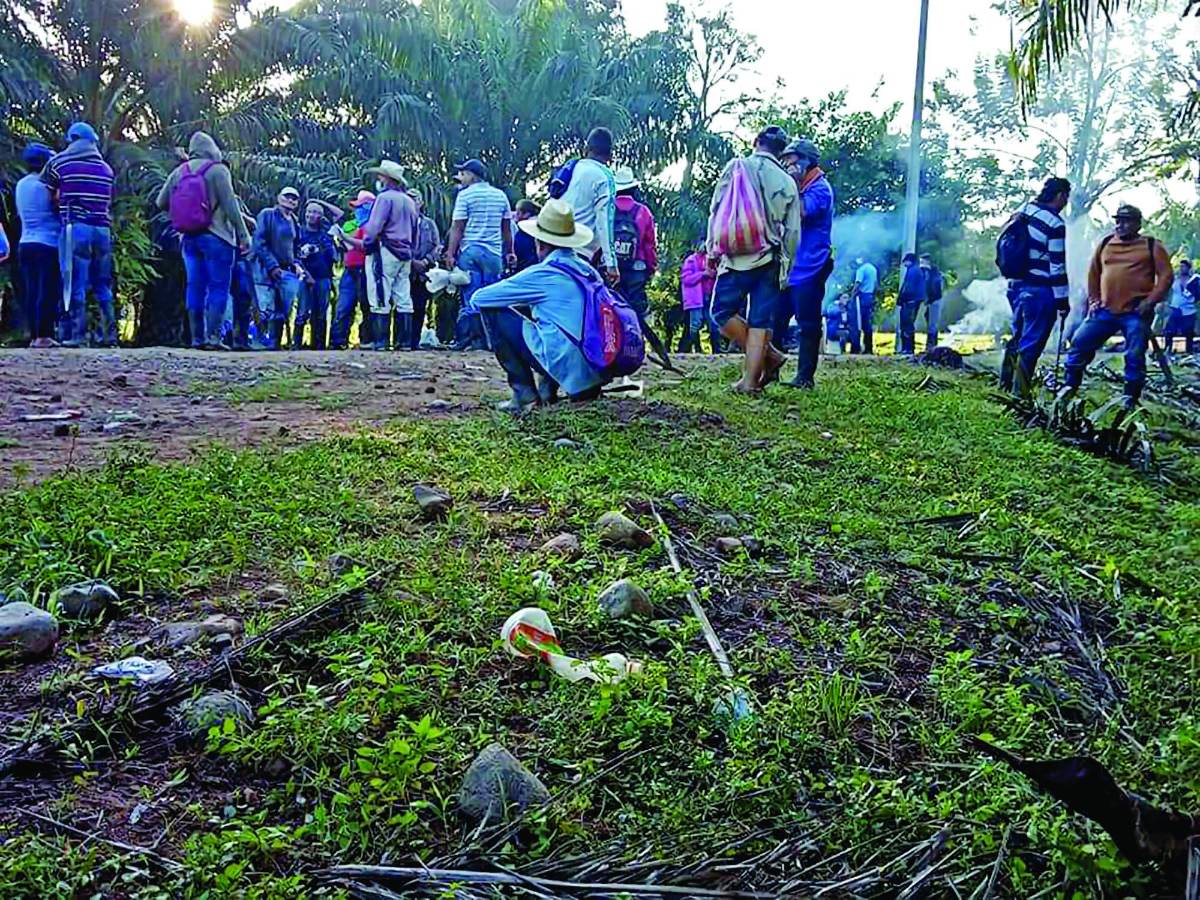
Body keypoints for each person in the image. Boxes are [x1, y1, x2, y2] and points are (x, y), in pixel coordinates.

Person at [472, 199, 607, 412]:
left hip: (565, 364)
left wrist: (522, 300)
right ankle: (548, 392)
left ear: (540, 243)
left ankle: (523, 395)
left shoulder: (544, 273)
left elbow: (479, 299)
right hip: (595, 368)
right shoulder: (588, 270)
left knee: (494, 311)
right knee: (551, 320)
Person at [706, 126, 799, 394]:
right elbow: (793, 231)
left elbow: (716, 209)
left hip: (735, 256)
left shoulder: (736, 167)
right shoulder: (787, 182)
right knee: (760, 321)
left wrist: (712, 249)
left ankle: (768, 358)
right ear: (781, 151)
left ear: (756, 141)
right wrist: (787, 265)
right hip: (770, 257)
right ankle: (753, 377)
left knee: (721, 313)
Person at [1060, 205, 1173, 409]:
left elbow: (1166, 276)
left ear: (1137, 224)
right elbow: (1093, 274)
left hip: (1136, 310)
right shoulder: (1105, 243)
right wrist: (1094, 300)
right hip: (1104, 310)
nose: (1121, 225)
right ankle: (1069, 387)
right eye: (1118, 220)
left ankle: (1130, 398)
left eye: (1126, 221)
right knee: (1079, 343)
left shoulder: (1151, 245)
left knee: (1134, 355)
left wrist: (1150, 301)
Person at [155, 132, 252, 350]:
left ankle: (196, 339)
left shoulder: (179, 172)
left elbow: (160, 202)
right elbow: (230, 204)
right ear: (212, 148)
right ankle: (213, 338)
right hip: (218, 237)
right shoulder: (218, 170)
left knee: (195, 287)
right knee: (218, 287)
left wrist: (184, 213)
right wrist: (243, 234)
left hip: (189, 238)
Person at [41, 122, 116, 347]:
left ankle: (77, 335)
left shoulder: (59, 163)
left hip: (75, 227)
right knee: (103, 284)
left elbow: (49, 196)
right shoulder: (106, 169)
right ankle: (110, 335)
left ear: (72, 139)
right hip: (103, 230)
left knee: (74, 281)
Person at [1000, 177, 1071, 395]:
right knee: (1031, 344)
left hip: (1015, 286)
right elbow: (1057, 266)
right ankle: (1019, 393)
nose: (1065, 203)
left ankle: (1004, 386)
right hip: (1040, 291)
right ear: (1060, 195)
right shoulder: (1055, 224)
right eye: (1066, 197)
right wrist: (1063, 301)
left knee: (1017, 337)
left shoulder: (1024, 209)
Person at [347, 161, 419, 350]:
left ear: (387, 178)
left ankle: (381, 341)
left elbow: (374, 227)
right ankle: (404, 342)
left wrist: (368, 243)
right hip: (405, 252)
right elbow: (415, 230)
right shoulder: (409, 201)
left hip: (385, 249)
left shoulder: (385, 198)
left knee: (380, 292)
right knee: (403, 295)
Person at [780, 139, 835, 387]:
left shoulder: (820, 189)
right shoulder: (800, 187)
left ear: (806, 161)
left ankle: (805, 378)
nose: (788, 166)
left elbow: (800, 212)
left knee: (808, 324)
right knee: (775, 322)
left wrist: (789, 184)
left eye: (792, 161)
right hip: (789, 268)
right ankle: (769, 373)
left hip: (811, 267)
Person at [443, 159, 513, 350]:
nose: (461, 177)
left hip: (471, 251)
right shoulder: (500, 195)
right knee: (492, 297)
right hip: (493, 254)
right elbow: (506, 228)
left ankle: (472, 340)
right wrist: (510, 252)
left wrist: (450, 253)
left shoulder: (465, 196)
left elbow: (458, 227)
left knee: (470, 295)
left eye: (463, 174)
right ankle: (492, 341)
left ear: (472, 175)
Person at [611, 167, 670, 367]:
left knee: (612, 307)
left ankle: (613, 347)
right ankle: (635, 349)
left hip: (612, 269)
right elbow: (649, 245)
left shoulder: (608, 208)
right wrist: (651, 268)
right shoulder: (643, 212)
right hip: (637, 268)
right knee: (635, 310)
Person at [14, 142, 62, 348]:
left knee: (31, 290)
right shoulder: (46, 186)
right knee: (47, 290)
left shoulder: (21, 184)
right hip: (47, 243)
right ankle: (44, 335)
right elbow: (56, 208)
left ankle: (34, 335)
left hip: (25, 242)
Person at [561, 127, 620, 286]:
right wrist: (611, 263)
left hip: (554, 245)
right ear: (610, 155)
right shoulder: (604, 176)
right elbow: (604, 221)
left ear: (586, 149)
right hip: (580, 251)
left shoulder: (570, 168)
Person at [252, 186, 304, 350]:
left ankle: (274, 344)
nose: (290, 200)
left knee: (283, 308)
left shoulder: (294, 221)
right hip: (264, 269)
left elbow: (296, 247)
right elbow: (259, 242)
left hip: (287, 271)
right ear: (279, 197)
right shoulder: (267, 215)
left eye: (294, 198)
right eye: (287, 196)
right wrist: (272, 265)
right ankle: (258, 341)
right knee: (264, 308)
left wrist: (297, 264)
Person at [330, 190, 374, 349]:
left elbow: (365, 246)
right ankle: (338, 341)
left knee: (366, 306)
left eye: (360, 207)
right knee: (344, 305)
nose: (357, 210)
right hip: (350, 268)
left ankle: (367, 340)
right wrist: (342, 240)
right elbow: (349, 247)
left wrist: (345, 238)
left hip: (365, 269)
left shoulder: (373, 226)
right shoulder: (356, 225)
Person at [293, 200, 337, 349]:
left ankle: (319, 346)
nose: (312, 215)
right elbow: (294, 257)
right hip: (304, 277)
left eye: (316, 212)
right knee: (302, 311)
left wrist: (318, 202)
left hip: (324, 277)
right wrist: (306, 276)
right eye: (310, 211)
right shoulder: (298, 232)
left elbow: (339, 214)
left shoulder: (327, 232)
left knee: (321, 313)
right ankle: (297, 345)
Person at [407, 188, 441, 350]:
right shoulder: (400, 224)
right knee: (403, 306)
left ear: (420, 203)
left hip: (423, 273)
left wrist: (426, 261)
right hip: (405, 272)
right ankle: (402, 341)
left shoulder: (429, 224)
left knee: (420, 307)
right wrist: (412, 262)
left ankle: (414, 343)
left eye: (414, 199)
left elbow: (437, 246)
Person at [679, 245, 716, 353]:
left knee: (713, 323)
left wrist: (712, 274)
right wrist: (702, 274)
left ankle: (717, 349)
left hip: (709, 296)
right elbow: (686, 279)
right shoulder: (691, 260)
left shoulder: (711, 259)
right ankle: (691, 349)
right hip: (696, 299)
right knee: (695, 324)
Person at [1164, 258, 1198, 354]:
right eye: (1181, 266)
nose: (1181, 268)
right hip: (1175, 308)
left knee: (1188, 332)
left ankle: (1189, 352)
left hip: (1189, 310)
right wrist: (1166, 303)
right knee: (1170, 331)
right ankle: (1168, 350)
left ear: (1188, 268)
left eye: (1184, 266)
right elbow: (1168, 291)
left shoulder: (1194, 280)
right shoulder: (1175, 279)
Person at [896, 253, 927, 354]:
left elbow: (908, 287)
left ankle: (907, 348)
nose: (904, 264)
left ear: (909, 261)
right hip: (913, 300)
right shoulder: (916, 270)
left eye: (905, 261)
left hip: (909, 301)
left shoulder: (912, 271)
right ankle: (908, 348)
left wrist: (902, 298)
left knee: (906, 324)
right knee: (908, 324)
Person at [851, 257, 878, 354]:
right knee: (867, 323)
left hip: (861, 297)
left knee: (857, 322)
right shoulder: (873, 268)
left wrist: (852, 295)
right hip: (870, 296)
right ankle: (868, 348)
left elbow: (858, 283)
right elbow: (875, 284)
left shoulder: (861, 269)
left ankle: (855, 348)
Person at [920, 253, 944, 350]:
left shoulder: (931, 273)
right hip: (934, 300)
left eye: (922, 261)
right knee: (931, 322)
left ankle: (931, 346)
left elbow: (932, 287)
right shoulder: (934, 272)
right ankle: (931, 345)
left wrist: (928, 299)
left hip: (934, 300)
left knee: (932, 324)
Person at [512, 199, 540, 272]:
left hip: (525, 266)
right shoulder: (539, 226)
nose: (515, 215)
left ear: (526, 214)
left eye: (518, 213)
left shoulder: (525, 230)